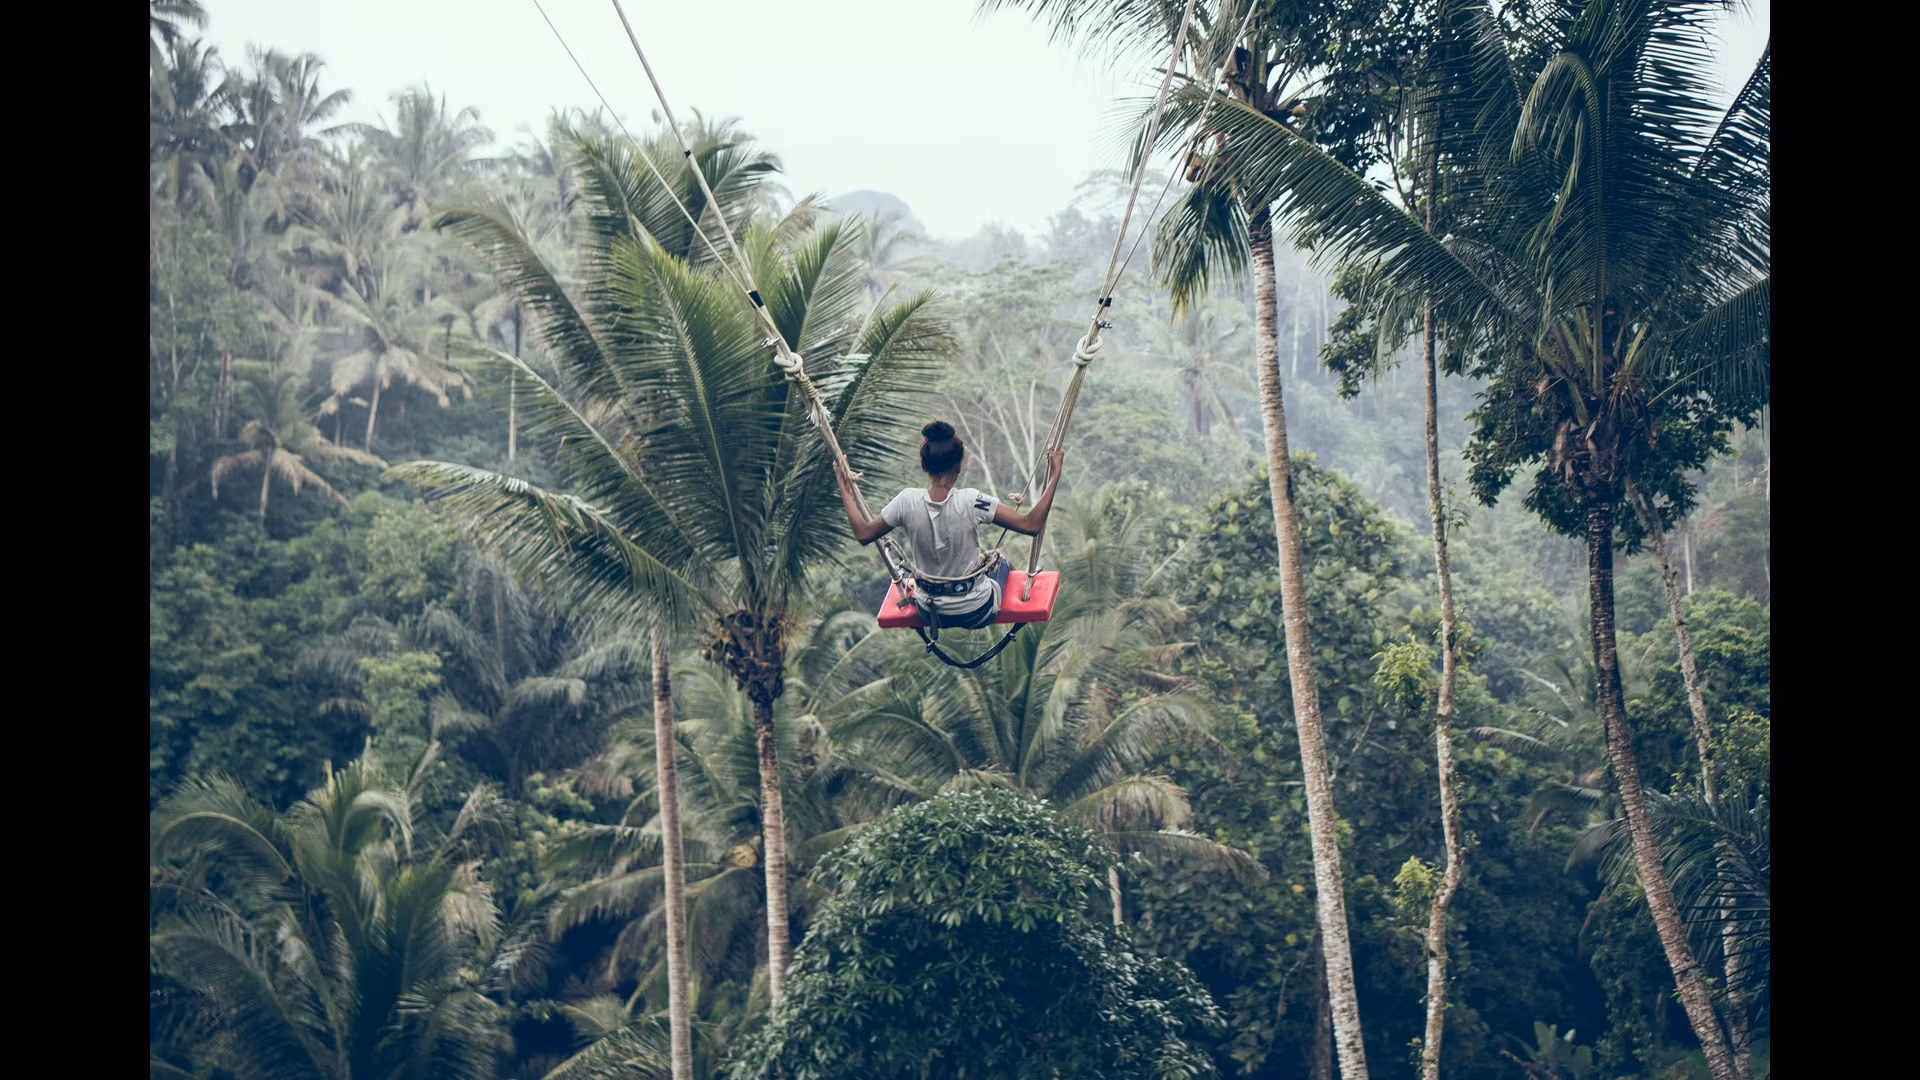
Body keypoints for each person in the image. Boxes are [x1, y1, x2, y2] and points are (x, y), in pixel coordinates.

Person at [841, 419, 1064, 630]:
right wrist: (1054, 476)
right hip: (977, 611)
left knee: (983, 561)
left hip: (929, 611)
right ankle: (1018, 599)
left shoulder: (905, 500)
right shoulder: (972, 500)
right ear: (958, 467)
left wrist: (846, 490)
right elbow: (1031, 525)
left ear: (924, 465)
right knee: (999, 559)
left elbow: (863, 533)